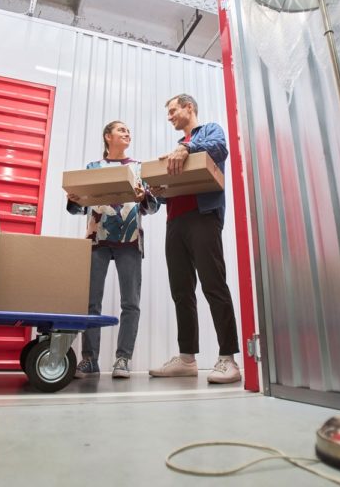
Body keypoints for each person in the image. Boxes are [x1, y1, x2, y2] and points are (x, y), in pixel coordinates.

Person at [149, 94, 241, 384]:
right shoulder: (177, 150)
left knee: (214, 285)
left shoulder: (209, 130)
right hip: (175, 221)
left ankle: (228, 359)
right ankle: (187, 358)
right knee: (181, 291)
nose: (170, 116)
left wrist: (185, 146)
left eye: (173, 110)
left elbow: (219, 149)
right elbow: (172, 190)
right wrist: (158, 191)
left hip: (203, 217)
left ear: (190, 108)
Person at [67, 120, 159, 379]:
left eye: (129, 130)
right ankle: (89, 360)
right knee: (90, 302)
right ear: (108, 136)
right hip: (98, 239)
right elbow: (79, 208)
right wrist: (73, 199)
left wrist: (145, 198)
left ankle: (123, 359)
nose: (127, 133)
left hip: (130, 241)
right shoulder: (93, 168)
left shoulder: (139, 168)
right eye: (121, 130)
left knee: (131, 303)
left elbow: (152, 208)